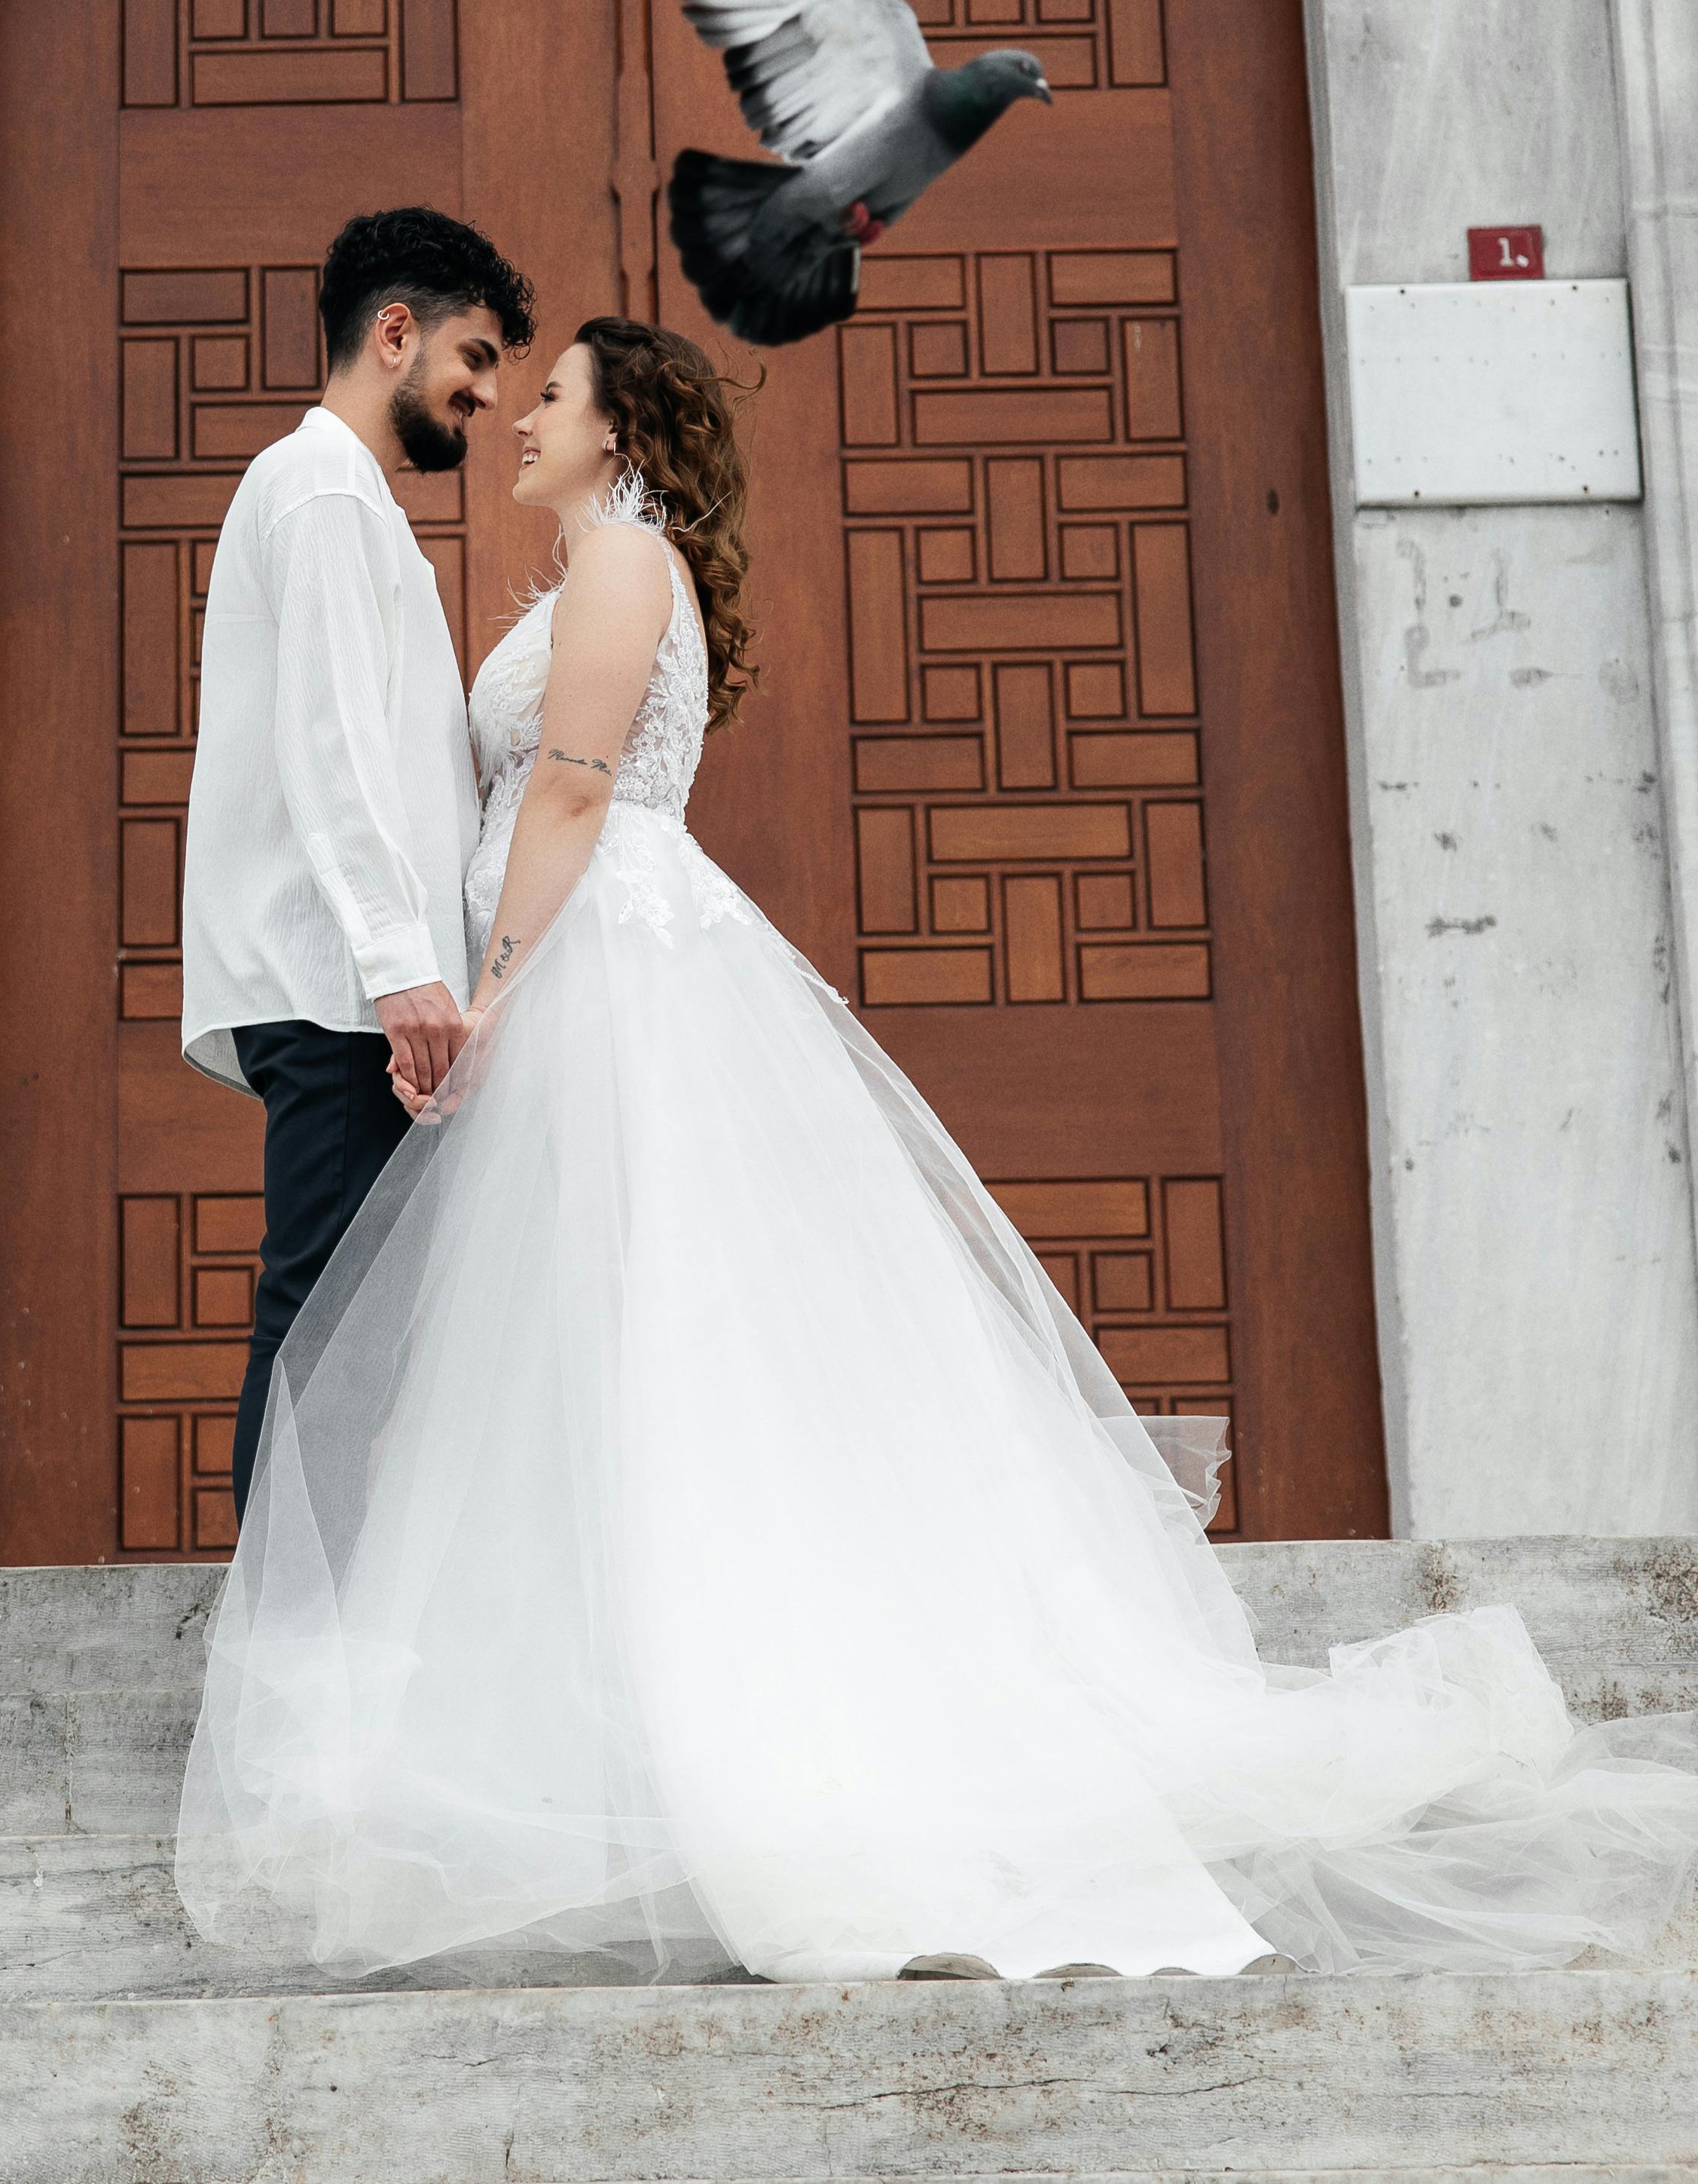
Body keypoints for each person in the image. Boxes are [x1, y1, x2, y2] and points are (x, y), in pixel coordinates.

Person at [178, 315, 1698, 1987]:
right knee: (598, 1353)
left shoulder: (620, 564)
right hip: (587, 975)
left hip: (601, 974)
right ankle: (607, 1707)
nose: (523, 416)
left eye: (555, 397)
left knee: (659, 1344)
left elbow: (572, 795)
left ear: (623, 436)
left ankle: (742, 1729)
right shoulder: (592, 569)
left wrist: (492, 991)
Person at [179, 205, 534, 1515]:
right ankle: (284, 1657)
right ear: (396, 333)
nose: (489, 397)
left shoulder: (346, 499)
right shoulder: (321, 484)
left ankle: (318, 1633)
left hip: (359, 986)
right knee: (326, 1318)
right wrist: (400, 971)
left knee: (355, 1331)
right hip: (338, 988)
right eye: (477, 357)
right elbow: (329, 749)